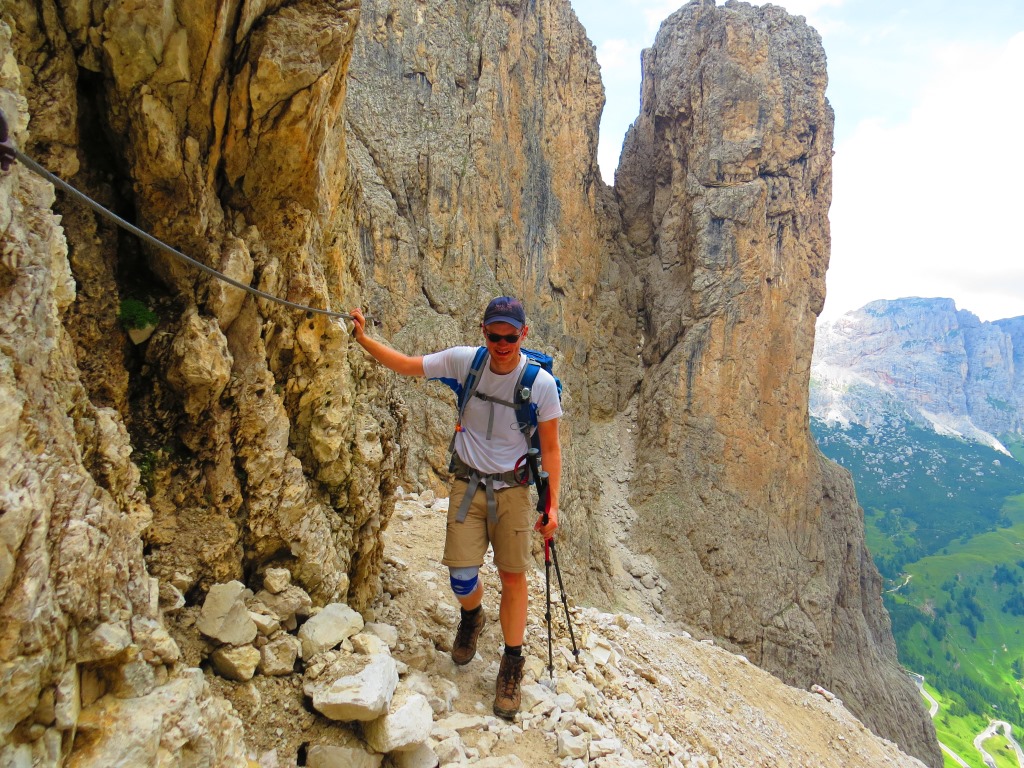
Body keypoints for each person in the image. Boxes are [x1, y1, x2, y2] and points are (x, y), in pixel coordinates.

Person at [349, 297, 562, 720]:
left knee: (513, 577)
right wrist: (363, 339)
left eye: (510, 336)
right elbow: (407, 365)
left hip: (514, 490)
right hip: (468, 484)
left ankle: (512, 663)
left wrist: (551, 505)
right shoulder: (467, 362)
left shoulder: (539, 384)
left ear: (523, 334)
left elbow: (552, 448)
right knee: (461, 577)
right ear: (483, 332)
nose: (502, 344)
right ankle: (473, 615)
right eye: (494, 335)